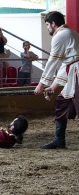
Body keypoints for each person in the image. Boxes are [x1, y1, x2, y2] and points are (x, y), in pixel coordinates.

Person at [34, 11, 79, 149]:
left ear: (53, 24)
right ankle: (59, 140)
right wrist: (53, 87)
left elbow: (53, 61)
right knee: (61, 102)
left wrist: (41, 85)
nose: (47, 28)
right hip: (74, 73)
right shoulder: (70, 34)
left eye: (47, 24)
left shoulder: (60, 35)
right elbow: (67, 65)